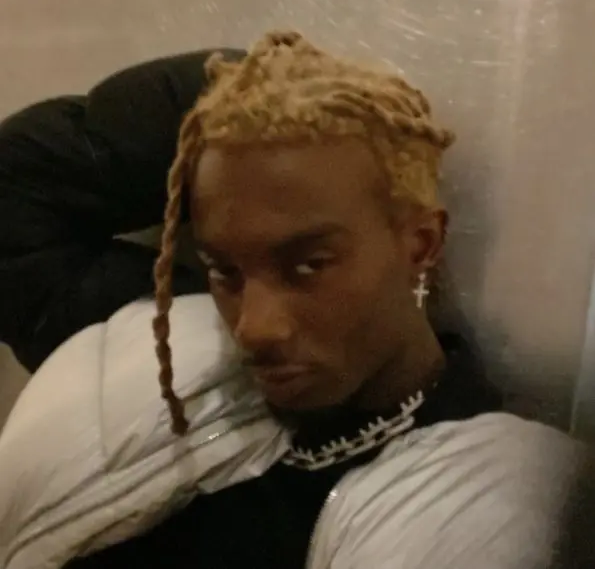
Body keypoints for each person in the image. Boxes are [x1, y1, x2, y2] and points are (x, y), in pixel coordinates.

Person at [0, 30, 591, 568]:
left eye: (308, 265)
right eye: (223, 270)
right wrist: (262, 92)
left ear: (420, 244)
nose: (254, 329)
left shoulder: (478, 497)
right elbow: (17, 186)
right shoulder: (178, 364)